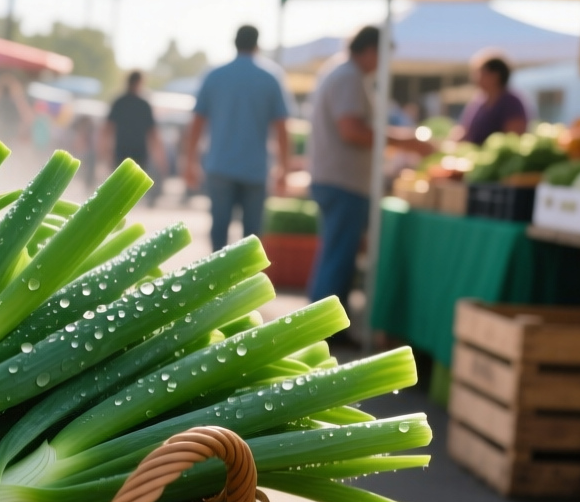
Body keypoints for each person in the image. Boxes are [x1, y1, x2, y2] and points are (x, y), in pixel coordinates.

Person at [305, 26, 433, 323]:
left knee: (335, 256)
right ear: (371, 50)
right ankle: (323, 328)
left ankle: (322, 324)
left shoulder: (341, 72)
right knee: (338, 259)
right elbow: (351, 130)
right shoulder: (348, 76)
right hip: (342, 181)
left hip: (337, 179)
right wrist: (406, 142)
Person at [181, 26, 294, 251]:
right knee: (251, 239)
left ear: (234, 43)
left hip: (220, 166)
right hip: (255, 170)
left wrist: (190, 161)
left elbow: (196, 123)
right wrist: (284, 168)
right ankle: (247, 285)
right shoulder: (270, 77)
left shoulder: (214, 75)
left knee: (219, 230)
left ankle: (216, 283)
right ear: (257, 44)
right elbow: (282, 128)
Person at [101, 71, 163, 188]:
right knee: (132, 189)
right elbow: (153, 134)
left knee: (119, 187)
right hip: (137, 152)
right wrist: (160, 157)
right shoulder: (144, 105)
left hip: (122, 152)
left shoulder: (119, 102)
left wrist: (105, 151)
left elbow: (107, 129)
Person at [457, 56, 528, 145]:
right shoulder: (477, 102)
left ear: (495, 75)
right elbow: (464, 131)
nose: (475, 78)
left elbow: (514, 138)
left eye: (480, 73)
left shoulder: (511, 103)